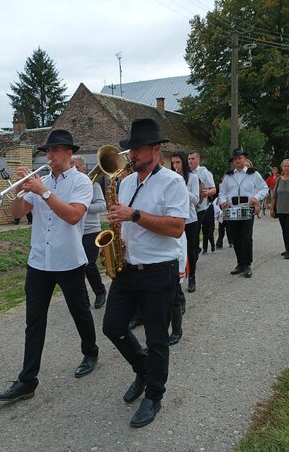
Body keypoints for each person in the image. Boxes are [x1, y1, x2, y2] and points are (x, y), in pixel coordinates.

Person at [0, 130, 99, 402]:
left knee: (80, 311)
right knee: (34, 321)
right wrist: (19, 190)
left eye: (56, 150)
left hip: (68, 260)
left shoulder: (81, 182)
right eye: (47, 151)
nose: (50, 156)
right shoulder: (40, 182)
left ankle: (90, 350)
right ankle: (27, 380)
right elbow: (16, 214)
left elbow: (74, 216)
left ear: (69, 153)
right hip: (39, 261)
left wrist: (44, 191)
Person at [102, 118, 188, 428]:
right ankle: (143, 369)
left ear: (155, 150)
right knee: (112, 327)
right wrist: (116, 227)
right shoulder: (124, 183)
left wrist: (133, 215)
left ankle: (154, 396)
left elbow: (176, 228)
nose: (131, 155)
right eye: (130, 149)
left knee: (156, 339)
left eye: (136, 149)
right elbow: (123, 220)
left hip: (158, 271)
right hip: (127, 269)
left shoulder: (172, 182)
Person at [218, 148, 269, 278]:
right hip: (232, 209)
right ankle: (240, 263)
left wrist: (256, 198)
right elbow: (222, 192)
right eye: (235, 159)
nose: (238, 161)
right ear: (233, 161)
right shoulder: (229, 176)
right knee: (235, 238)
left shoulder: (253, 174)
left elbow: (264, 188)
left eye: (240, 158)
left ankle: (247, 264)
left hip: (246, 208)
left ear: (244, 159)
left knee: (246, 237)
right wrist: (223, 201)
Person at [71, 155, 108, 308]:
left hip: (91, 231)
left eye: (77, 167)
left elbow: (101, 206)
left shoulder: (93, 185)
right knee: (76, 267)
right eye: (72, 167)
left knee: (89, 265)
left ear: (84, 168)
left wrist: (83, 206)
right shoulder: (70, 185)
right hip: (73, 232)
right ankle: (82, 298)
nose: (74, 170)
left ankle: (100, 291)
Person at [171, 151, 199, 293]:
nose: (175, 165)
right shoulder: (170, 178)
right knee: (176, 250)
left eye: (178, 162)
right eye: (173, 163)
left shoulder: (192, 178)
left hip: (190, 219)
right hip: (175, 219)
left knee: (191, 250)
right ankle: (177, 279)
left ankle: (192, 276)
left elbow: (196, 199)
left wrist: (182, 187)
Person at [188, 151, 216, 254]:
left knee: (195, 233)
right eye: (189, 159)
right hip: (187, 206)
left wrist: (207, 193)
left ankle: (194, 254)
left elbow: (213, 189)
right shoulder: (186, 172)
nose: (190, 161)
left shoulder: (203, 172)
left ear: (198, 160)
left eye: (193, 158)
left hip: (200, 207)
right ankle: (194, 251)